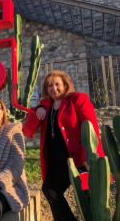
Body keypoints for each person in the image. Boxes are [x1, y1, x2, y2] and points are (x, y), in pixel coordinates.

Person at [35, 70, 105, 221]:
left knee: (88, 198)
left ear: (65, 85)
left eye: (57, 84)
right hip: (60, 161)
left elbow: (90, 127)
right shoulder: (47, 104)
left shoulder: (78, 99)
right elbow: (39, 106)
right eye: (49, 85)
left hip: (81, 159)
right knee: (50, 190)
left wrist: (89, 156)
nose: (53, 88)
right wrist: (39, 108)